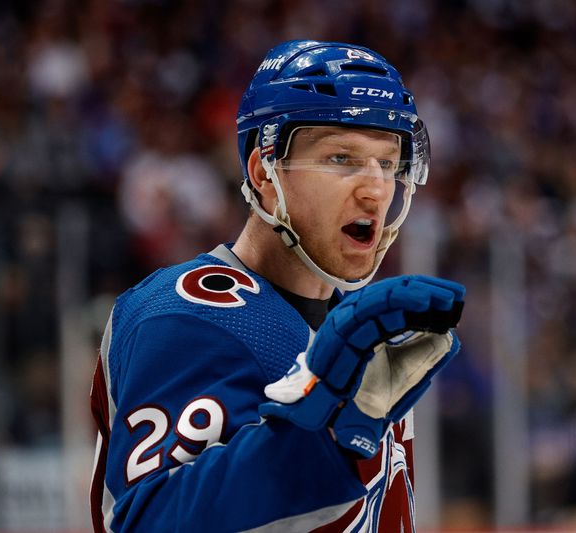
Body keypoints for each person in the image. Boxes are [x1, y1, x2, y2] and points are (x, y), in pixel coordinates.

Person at [90, 39, 465, 532]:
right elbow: (149, 522)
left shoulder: (360, 329)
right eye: (341, 158)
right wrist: (324, 440)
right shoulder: (184, 314)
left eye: (388, 163)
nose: (376, 189)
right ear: (263, 172)